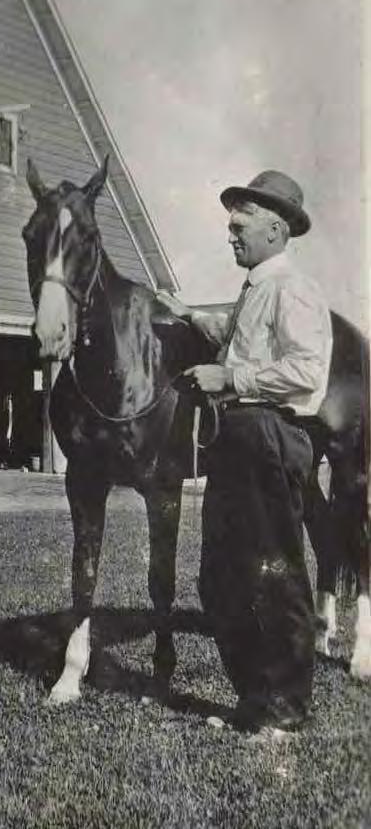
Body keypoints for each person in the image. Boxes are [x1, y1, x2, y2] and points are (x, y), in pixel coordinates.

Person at [158, 170, 332, 738]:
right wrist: (188, 315)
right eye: (230, 225)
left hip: (270, 436)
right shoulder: (255, 290)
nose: (230, 233)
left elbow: (306, 371)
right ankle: (255, 702)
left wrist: (231, 377)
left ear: (276, 230)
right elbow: (234, 336)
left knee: (275, 578)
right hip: (237, 440)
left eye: (240, 225)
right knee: (221, 578)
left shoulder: (292, 288)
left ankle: (287, 711)